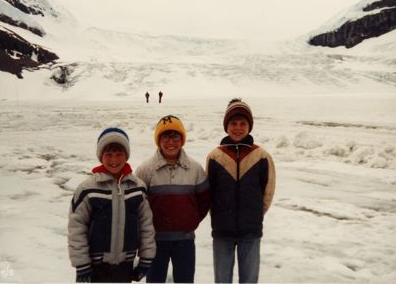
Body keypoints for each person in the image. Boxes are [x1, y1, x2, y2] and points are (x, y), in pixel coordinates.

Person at [68, 127, 156, 283]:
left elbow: (146, 225)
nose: (114, 160)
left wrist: (146, 258)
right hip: (95, 267)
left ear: (126, 156)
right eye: (108, 155)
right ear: (101, 156)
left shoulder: (137, 187)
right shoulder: (87, 189)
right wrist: (82, 264)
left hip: (125, 265)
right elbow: (77, 227)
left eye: (119, 154)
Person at [206, 98, 276, 284]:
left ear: (249, 126)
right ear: (226, 126)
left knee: (249, 279)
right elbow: (209, 192)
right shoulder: (215, 156)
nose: (238, 128)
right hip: (222, 231)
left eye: (243, 123)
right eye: (233, 123)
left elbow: (267, 191)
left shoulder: (261, 156)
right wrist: (220, 215)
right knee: (222, 279)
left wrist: (255, 214)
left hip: (250, 231)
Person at [136, 115, 210, 283]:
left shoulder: (195, 169)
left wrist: (191, 220)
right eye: (165, 136)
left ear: (182, 139)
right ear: (158, 140)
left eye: (175, 136)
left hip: (185, 241)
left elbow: (204, 201)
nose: (171, 142)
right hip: (155, 241)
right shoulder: (145, 170)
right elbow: (137, 206)